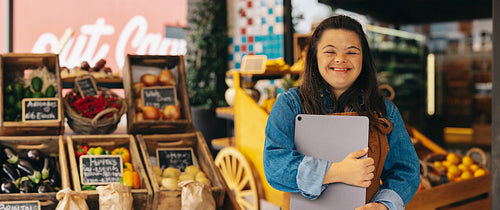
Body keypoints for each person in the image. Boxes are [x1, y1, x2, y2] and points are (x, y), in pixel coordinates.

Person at [263, 15, 420, 210]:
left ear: (364, 58)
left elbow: (406, 171)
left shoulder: (385, 110)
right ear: (314, 56)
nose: (340, 59)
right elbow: (274, 165)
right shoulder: (290, 105)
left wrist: (383, 205)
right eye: (330, 51)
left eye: (352, 52)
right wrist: (337, 171)